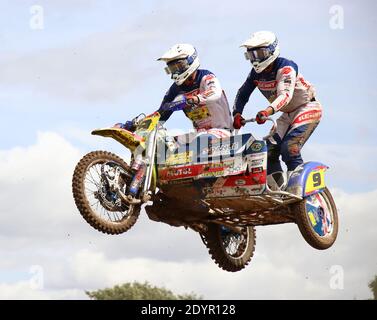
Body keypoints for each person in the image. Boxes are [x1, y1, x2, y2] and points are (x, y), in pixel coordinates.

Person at [233, 31, 322, 190]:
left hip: (307, 107)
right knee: (267, 152)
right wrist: (237, 113)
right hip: (287, 115)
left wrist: (267, 111)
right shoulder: (255, 74)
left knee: (289, 148)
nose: (256, 58)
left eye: (260, 53)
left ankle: (299, 189)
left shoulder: (286, 68)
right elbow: (242, 94)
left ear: (272, 50)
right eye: (252, 54)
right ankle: (278, 190)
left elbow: (285, 96)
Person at [119, 44, 233, 133]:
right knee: (167, 145)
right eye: (172, 68)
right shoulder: (175, 90)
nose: (176, 71)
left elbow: (215, 93)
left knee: (202, 140)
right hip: (200, 134)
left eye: (178, 66)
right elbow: (161, 114)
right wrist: (135, 125)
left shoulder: (206, 77)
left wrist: (193, 99)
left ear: (190, 61)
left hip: (222, 131)